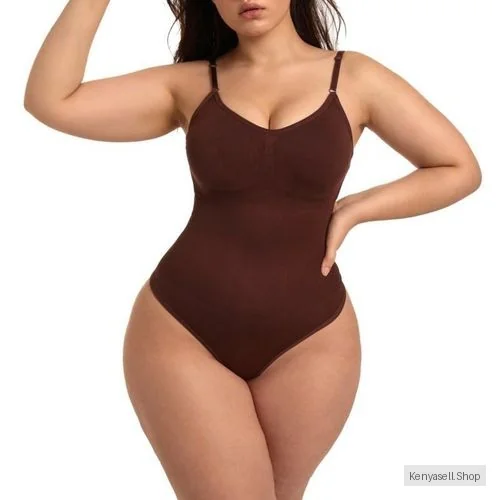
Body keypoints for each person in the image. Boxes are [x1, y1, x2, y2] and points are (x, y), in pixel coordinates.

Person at [24, 0, 482, 498]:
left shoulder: (355, 77)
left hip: (313, 341)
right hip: (184, 331)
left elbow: (458, 167)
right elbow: (51, 100)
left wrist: (355, 209)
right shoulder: (190, 85)